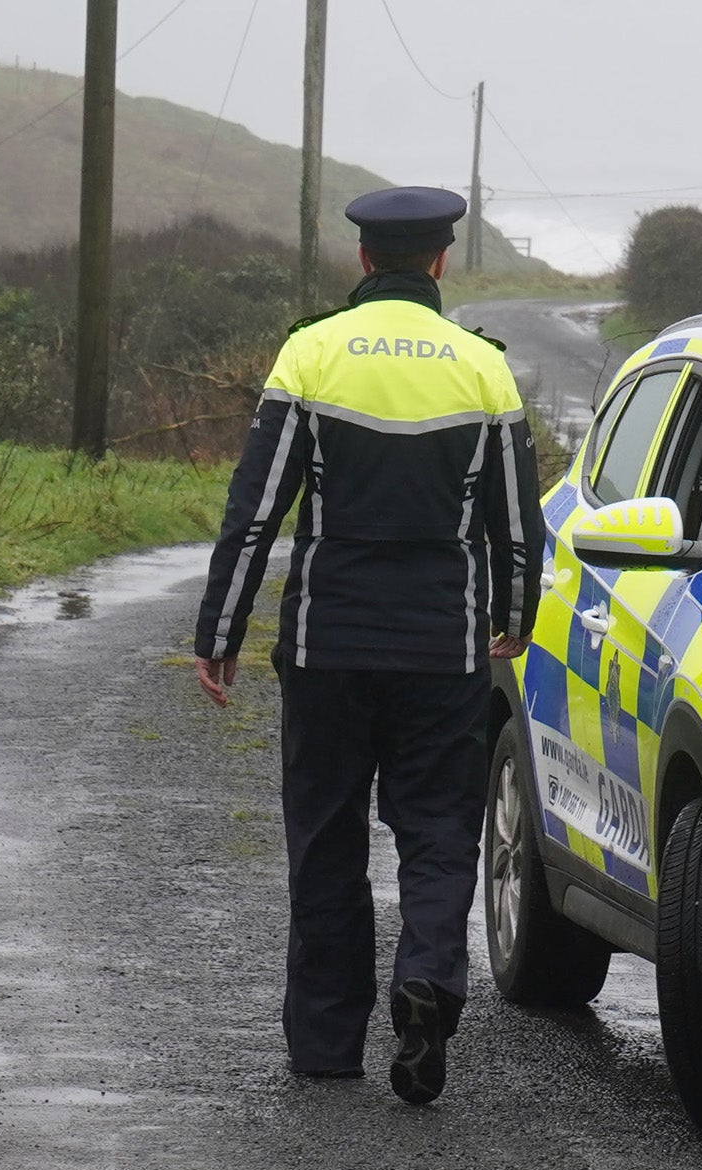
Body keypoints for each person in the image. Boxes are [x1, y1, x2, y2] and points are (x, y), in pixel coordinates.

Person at [192, 186, 543, 1105]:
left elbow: (255, 510)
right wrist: (516, 617)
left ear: (362, 261)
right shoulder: (483, 369)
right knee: (437, 828)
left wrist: (220, 629)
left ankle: (324, 1045)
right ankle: (426, 975)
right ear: (440, 262)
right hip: (445, 644)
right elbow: (516, 526)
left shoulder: (310, 353)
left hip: (328, 642)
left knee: (326, 835)